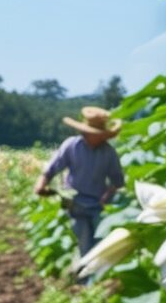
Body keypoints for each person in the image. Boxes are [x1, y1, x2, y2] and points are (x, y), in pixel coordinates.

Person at [33, 107, 125, 280]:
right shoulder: (72, 145)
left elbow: (117, 181)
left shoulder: (108, 153)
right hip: (74, 202)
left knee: (99, 243)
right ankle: (85, 282)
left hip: (99, 205)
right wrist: (41, 184)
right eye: (89, 133)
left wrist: (108, 193)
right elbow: (52, 168)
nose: (91, 136)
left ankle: (90, 277)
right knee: (83, 240)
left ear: (102, 135)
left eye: (95, 134)